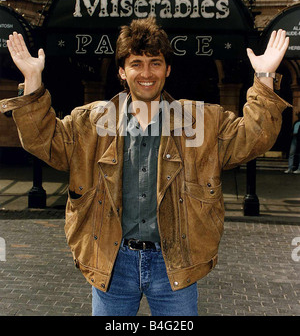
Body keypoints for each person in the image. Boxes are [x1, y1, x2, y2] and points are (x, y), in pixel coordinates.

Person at [1, 18, 290, 316]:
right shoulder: (89, 123)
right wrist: (33, 80)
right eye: (136, 63)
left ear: (167, 69)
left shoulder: (201, 120)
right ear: (122, 72)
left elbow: (254, 138)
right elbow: (44, 140)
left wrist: (265, 75)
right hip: (111, 263)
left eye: (155, 63)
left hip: (175, 264)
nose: (146, 73)